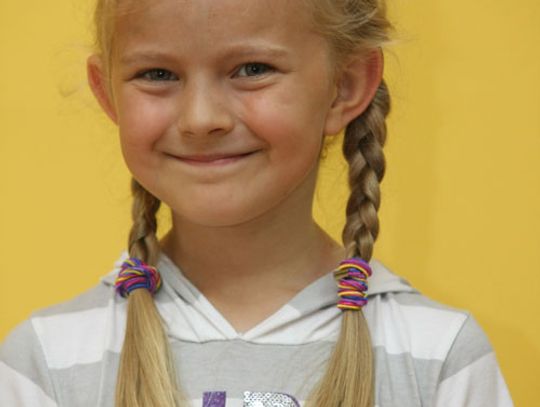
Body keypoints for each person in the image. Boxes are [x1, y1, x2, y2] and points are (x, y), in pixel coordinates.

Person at [0, 0, 513, 406]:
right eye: (157, 74)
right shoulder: (45, 361)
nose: (201, 119)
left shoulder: (440, 356)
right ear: (107, 92)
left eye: (252, 68)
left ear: (345, 85)